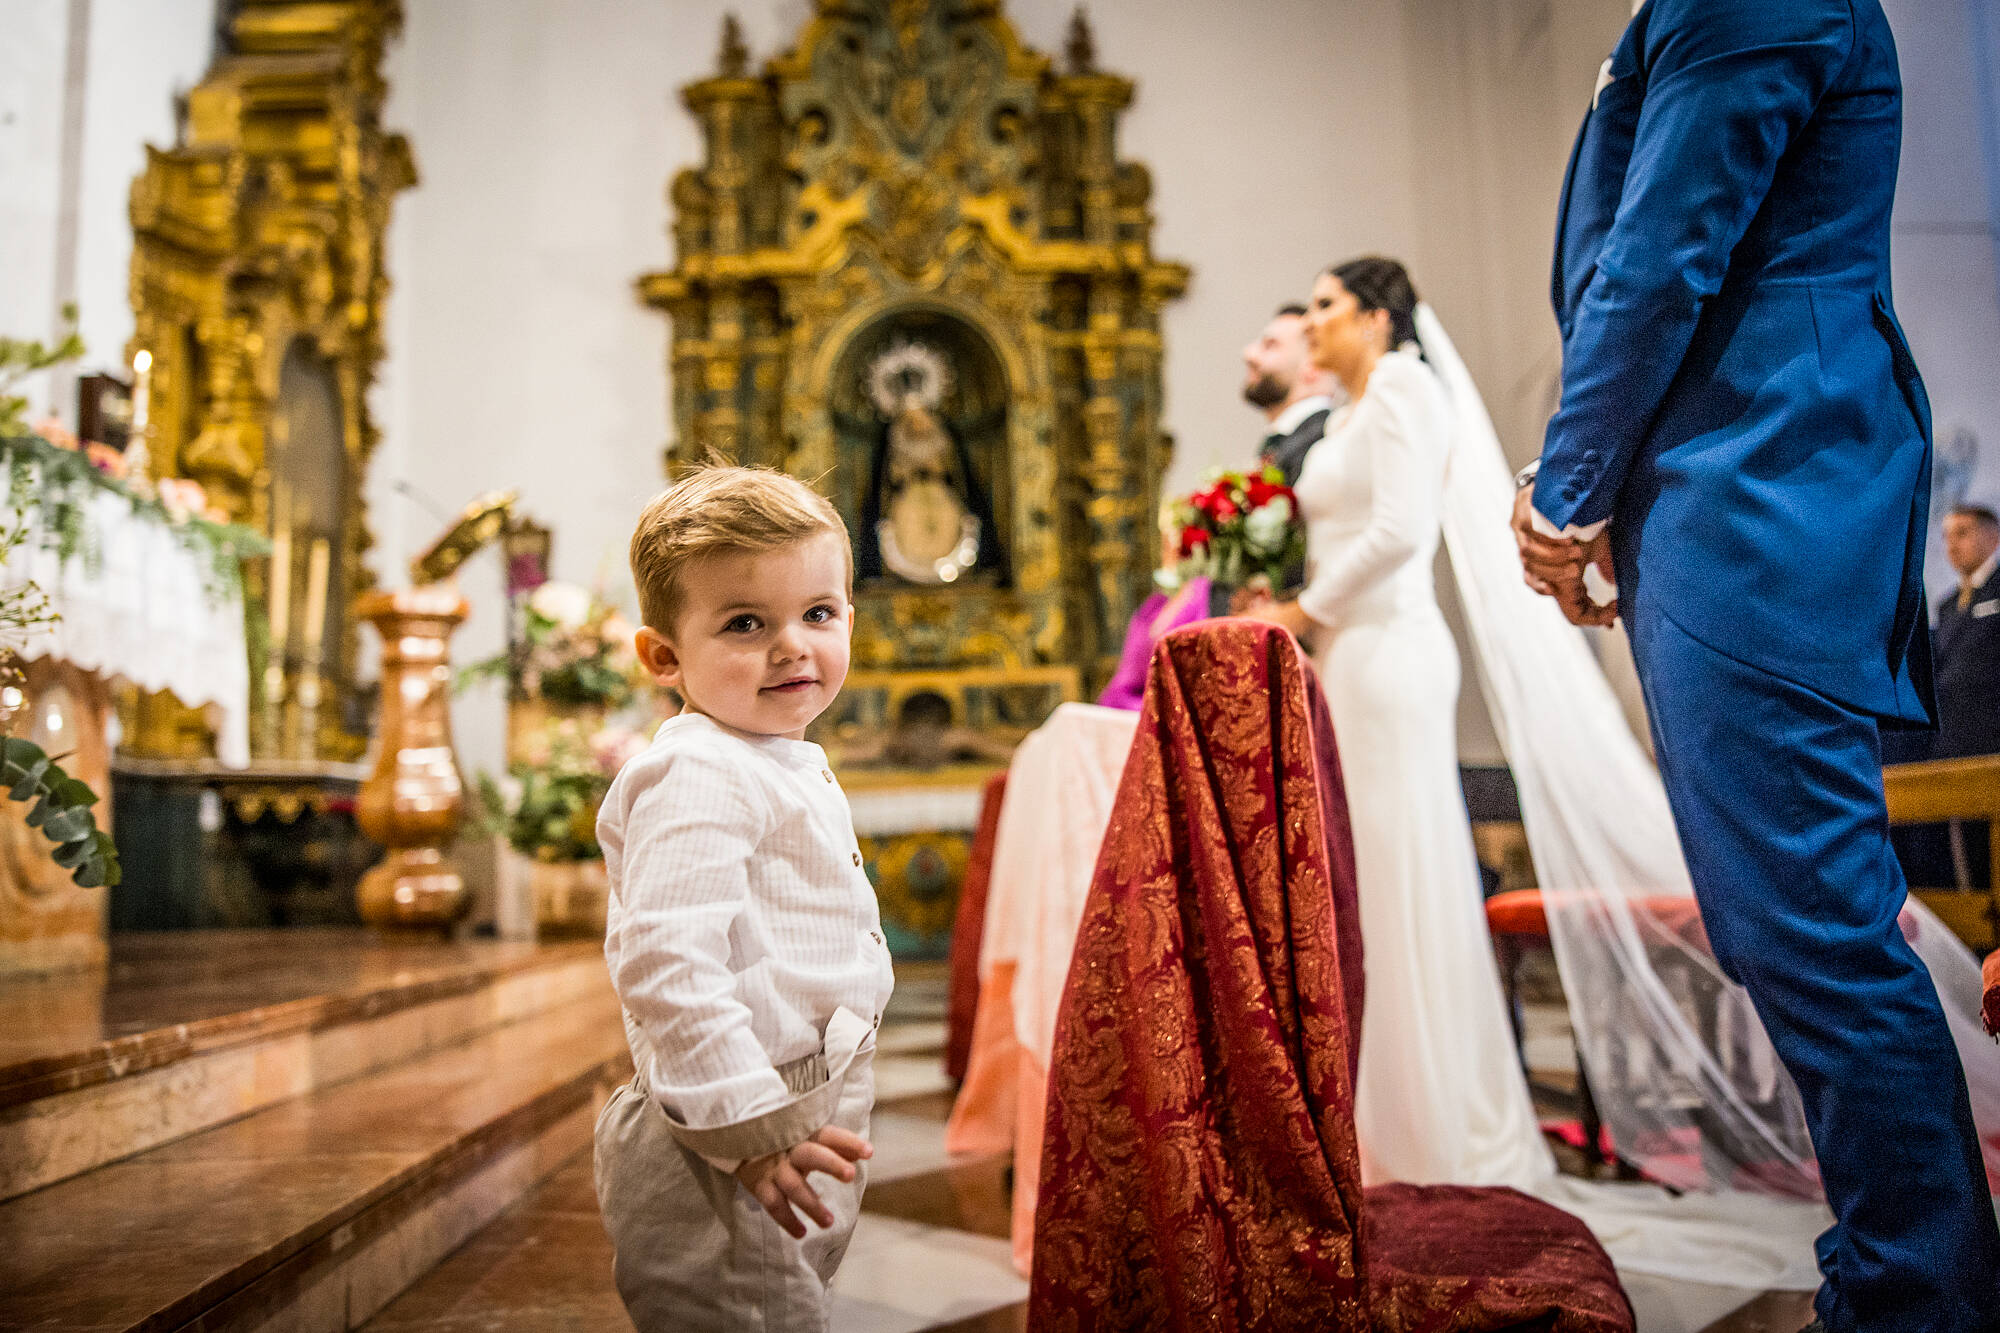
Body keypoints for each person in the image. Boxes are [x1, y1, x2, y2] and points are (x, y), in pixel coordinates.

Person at [1512, 2, 2000, 1327]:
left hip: (1760, 481)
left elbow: (1662, 253)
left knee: (1811, 927)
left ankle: (1922, 1295)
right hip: (1727, 483)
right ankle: (1912, 1272)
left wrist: (1567, 494)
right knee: (1781, 924)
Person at [1247, 256, 1552, 1189]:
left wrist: (1302, 610)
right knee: (1362, 879)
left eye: (1331, 306)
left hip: (1390, 652)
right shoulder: (1350, 410)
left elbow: (1400, 532)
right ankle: (1372, 1109)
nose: (1316, 323)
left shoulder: (1408, 388)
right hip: (1352, 656)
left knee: (1396, 875)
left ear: (1378, 320)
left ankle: (1429, 1124)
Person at [592, 466, 895, 1332]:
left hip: (790, 1104)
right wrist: (750, 1126)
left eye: (818, 613)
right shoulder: (700, 769)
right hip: (730, 1130)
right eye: (745, 623)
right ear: (664, 657)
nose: (792, 645)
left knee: (787, 1302)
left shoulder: (764, 751)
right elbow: (666, 962)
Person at [1243, 303, 1341, 487]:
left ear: (1314, 366)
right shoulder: (1282, 439)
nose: (1249, 354)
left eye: (1270, 345)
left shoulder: (1322, 438)